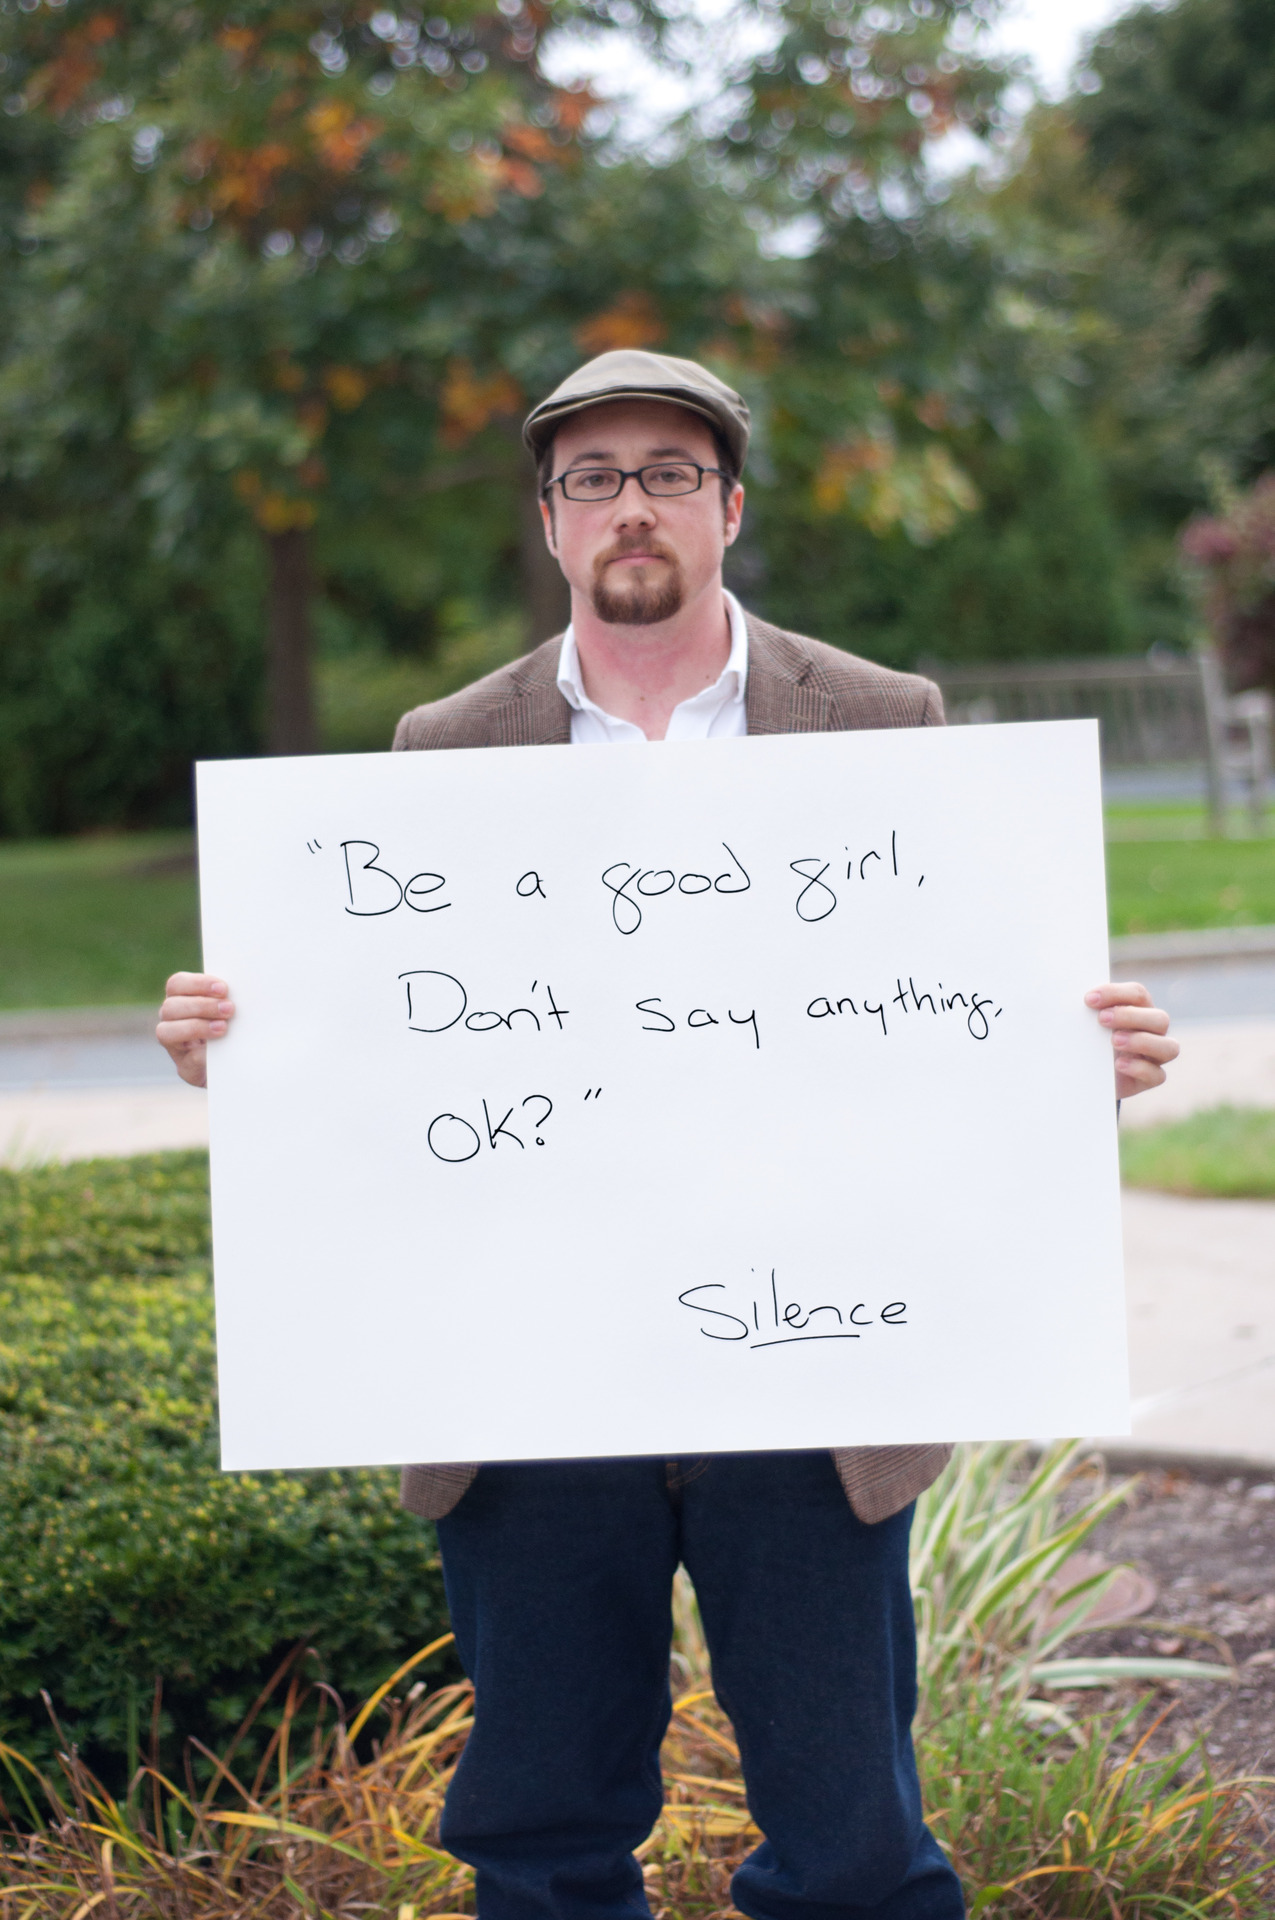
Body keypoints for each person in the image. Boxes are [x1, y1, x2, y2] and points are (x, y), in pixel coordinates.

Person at [158, 349, 1179, 1920]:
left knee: (853, 1838)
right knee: (543, 1833)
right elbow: (390, 1037)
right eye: (594, 479)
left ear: (730, 507)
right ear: (550, 522)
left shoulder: (880, 719)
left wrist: (1069, 1061)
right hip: (535, 1374)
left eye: (669, 474)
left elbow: (948, 1007)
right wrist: (246, 1044)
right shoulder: (446, 745)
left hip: (812, 1366)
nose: (631, 505)